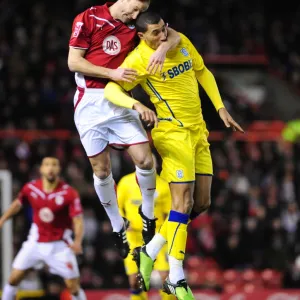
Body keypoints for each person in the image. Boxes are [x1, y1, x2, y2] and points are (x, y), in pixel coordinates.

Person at [104, 11, 244, 299]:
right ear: (142, 36)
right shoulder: (138, 60)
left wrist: (219, 108)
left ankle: (150, 249)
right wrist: (136, 106)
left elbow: (202, 71)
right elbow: (111, 90)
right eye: (156, 33)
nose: (163, 35)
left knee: (200, 203)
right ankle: (176, 276)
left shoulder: (178, 42)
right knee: (182, 201)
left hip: (198, 131)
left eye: (164, 29)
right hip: (171, 133)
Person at [68, 0, 181, 258]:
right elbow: (74, 62)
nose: (135, 14)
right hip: (90, 102)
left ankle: (148, 214)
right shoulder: (88, 18)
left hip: (121, 99)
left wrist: (162, 49)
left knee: (146, 160)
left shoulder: (136, 23)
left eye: (140, 11)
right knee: (102, 168)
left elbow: (172, 34)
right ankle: (118, 225)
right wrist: (113, 73)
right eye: (134, 8)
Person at [0, 157, 86, 300]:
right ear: (41, 169)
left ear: (59, 169)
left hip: (60, 245)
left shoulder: (69, 193)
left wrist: (77, 241)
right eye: (47, 165)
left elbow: (78, 220)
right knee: (13, 279)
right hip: (35, 242)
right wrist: (3, 219)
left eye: (54, 165)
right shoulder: (31, 188)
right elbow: (17, 204)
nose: (50, 168)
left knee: (73, 287)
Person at [117, 154, 175, 300]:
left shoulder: (163, 185)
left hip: (157, 237)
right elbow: (116, 207)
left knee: (165, 278)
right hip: (133, 236)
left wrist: (165, 232)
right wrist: (122, 222)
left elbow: (171, 212)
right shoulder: (125, 182)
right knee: (134, 281)